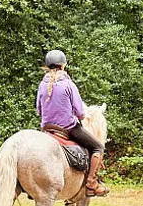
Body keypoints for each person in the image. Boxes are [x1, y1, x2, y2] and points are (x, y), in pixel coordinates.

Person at [36, 50, 109, 197]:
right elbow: (80, 113)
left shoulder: (42, 85)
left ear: (47, 66)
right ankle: (92, 183)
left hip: (47, 129)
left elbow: (39, 110)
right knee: (98, 148)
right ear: (63, 65)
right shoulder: (69, 84)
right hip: (68, 128)